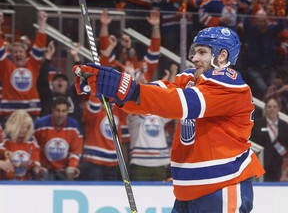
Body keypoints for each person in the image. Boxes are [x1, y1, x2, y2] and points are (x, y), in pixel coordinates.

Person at [73, 26, 265, 212]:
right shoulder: (191, 79)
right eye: (195, 51)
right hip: (188, 193)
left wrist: (129, 91)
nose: (195, 58)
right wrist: (116, 89)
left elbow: (181, 104)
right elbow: (157, 94)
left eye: (202, 52)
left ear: (222, 56)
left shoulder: (230, 84)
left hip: (222, 188)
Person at [0, 11, 48, 125]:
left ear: (26, 54)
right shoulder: (6, 67)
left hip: (30, 115)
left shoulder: (32, 64)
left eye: (21, 51)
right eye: (15, 52)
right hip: (9, 115)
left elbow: (39, 46)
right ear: (11, 55)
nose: (18, 54)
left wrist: (42, 22)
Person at [78, 96, 130, 181]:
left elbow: (122, 142)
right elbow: (94, 103)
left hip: (113, 164)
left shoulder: (117, 112)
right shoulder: (92, 111)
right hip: (94, 163)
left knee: (110, 193)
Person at [34, 96, 83, 180]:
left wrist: (72, 166)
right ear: (52, 110)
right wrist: (37, 166)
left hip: (64, 170)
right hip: (45, 169)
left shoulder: (74, 126)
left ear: (68, 112)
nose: (60, 114)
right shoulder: (40, 124)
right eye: (58, 110)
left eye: (63, 111)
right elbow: (33, 146)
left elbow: (76, 151)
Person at [0, 110, 47, 180]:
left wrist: (37, 169)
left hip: (26, 184)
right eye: (22, 127)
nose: (24, 130)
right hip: (5, 183)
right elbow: (4, 156)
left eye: (27, 127)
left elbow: (35, 163)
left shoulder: (32, 143)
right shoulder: (4, 141)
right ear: (14, 126)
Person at [250, 97, 288, 182]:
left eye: (274, 107)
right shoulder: (257, 124)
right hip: (261, 164)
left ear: (278, 109)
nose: (272, 109)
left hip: (278, 166)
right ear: (265, 108)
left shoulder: (284, 126)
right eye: (269, 107)